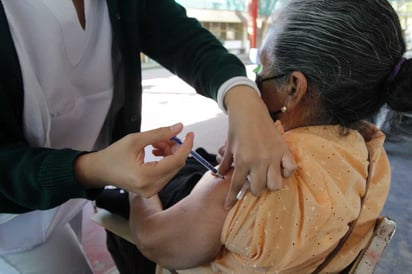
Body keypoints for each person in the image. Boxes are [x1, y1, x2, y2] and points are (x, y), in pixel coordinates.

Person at [0, 0, 296, 272]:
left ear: (296, 86)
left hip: (66, 201)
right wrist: (90, 169)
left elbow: (184, 39)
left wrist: (238, 91)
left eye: (262, 76)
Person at [123, 0, 412, 273]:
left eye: (262, 70)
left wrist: (139, 187)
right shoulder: (369, 152)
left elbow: (154, 240)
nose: (256, 83)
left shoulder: (263, 169)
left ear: (294, 87)